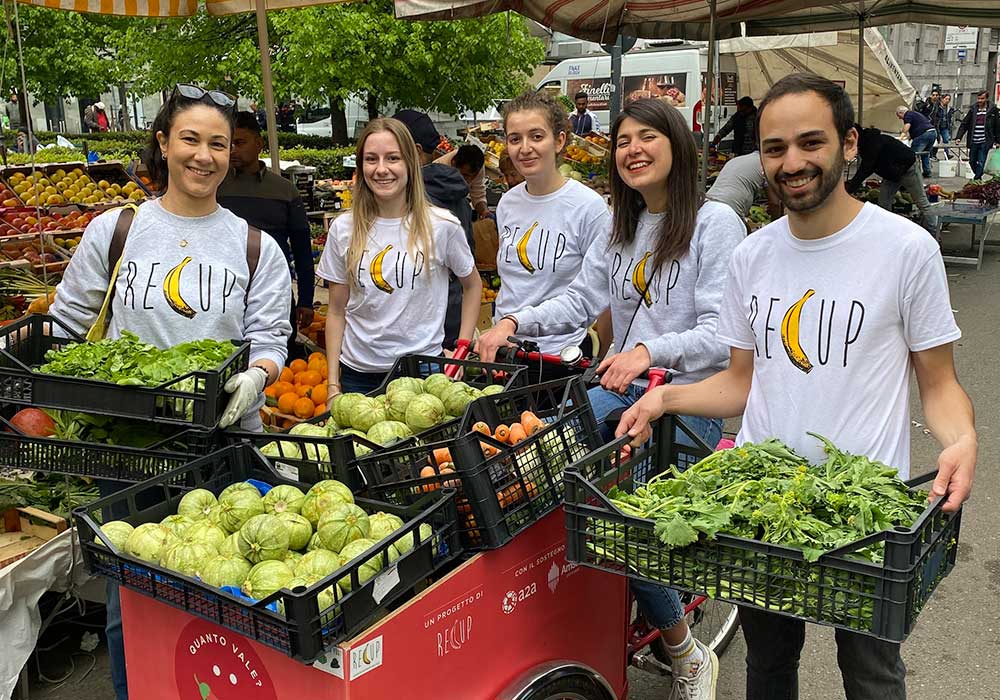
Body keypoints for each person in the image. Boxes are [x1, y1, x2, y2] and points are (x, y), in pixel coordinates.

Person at [618, 73, 977, 700]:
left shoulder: (904, 250)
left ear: (849, 143)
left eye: (810, 143)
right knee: (769, 665)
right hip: (761, 506)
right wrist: (665, 397)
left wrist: (962, 438)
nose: (792, 162)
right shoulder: (751, 256)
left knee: (871, 674)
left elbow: (938, 383)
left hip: (863, 517)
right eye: (775, 148)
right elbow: (738, 382)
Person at [479, 98, 746, 699]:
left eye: (648, 136)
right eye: (624, 140)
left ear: (678, 144)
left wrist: (650, 351)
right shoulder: (619, 225)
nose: (634, 150)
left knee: (619, 525)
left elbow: (720, 334)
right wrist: (513, 323)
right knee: (538, 472)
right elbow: (579, 300)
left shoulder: (714, 222)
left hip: (686, 404)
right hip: (617, 395)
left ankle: (686, 650)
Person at [49, 84, 293, 700]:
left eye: (217, 143)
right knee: (129, 601)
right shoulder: (117, 229)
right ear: (163, 144)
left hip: (221, 445)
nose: (203, 155)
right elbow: (68, 324)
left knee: (228, 594)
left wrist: (258, 376)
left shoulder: (253, 244)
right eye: (189, 139)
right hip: (129, 449)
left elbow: (272, 335)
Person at [316, 118, 481, 395]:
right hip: (360, 376)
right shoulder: (344, 229)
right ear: (361, 166)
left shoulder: (441, 225)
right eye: (371, 159)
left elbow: (473, 285)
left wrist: (462, 348)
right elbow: (335, 310)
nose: (381, 169)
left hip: (425, 374)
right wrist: (333, 384)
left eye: (393, 158)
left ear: (410, 163)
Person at [474, 91, 611, 377]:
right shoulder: (508, 203)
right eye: (515, 139)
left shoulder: (589, 207)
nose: (525, 148)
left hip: (558, 357)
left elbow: (599, 294)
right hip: (507, 351)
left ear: (559, 140)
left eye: (536, 136)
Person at [218, 111, 315, 361]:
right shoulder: (215, 188)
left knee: (275, 361)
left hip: (275, 294)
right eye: (229, 143)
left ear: (259, 143)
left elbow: (303, 249)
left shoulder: (285, 190)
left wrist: (305, 299)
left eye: (240, 142)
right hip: (225, 294)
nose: (233, 150)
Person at [393, 109, 476, 350]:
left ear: (416, 151)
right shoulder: (457, 191)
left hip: (418, 322)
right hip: (450, 312)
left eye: (394, 151)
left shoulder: (411, 196)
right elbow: (467, 255)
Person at [847, 124, 938, 234]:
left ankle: (934, 233)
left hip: (908, 170)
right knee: (883, 205)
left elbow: (866, 168)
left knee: (922, 202)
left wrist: (850, 188)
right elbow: (868, 167)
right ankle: (887, 233)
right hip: (892, 174)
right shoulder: (867, 142)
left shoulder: (872, 143)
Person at [706, 151, 780, 221]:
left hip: (708, 203)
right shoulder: (766, 164)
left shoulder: (739, 159)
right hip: (731, 207)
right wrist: (776, 225)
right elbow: (774, 203)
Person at [956, 90, 1000, 180]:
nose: (980, 101)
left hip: (985, 141)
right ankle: (978, 177)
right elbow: (965, 123)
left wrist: (998, 141)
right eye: (979, 98)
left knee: (981, 161)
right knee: (972, 161)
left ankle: (976, 179)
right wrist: (958, 137)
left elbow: (997, 126)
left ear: (987, 99)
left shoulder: (993, 110)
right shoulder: (973, 109)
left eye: (982, 98)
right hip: (973, 140)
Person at [436, 144, 489, 218]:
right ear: (453, 164)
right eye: (465, 175)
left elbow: (478, 194)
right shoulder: (439, 170)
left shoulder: (477, 166)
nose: (469, 181)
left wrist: (484, 211)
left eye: (473, 176)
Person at [896, 105, 936, 179]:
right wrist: (908, 138)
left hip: (924, 134)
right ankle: (927, 172)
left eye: (898, 115)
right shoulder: (915, 114)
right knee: (925, 153)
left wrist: (901, 137)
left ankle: (913, 174)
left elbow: (907, 125)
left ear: (901, 112)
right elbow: (917, 128)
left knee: (913, 154)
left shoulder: (907, 114)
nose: (899, 118)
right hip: (932, 132)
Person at [935, 93, 956, 160]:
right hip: (938, 126)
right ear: (942, 99)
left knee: (946, 140)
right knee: (937, 140)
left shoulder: (948, 108)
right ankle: (933, 155)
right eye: (946, 99)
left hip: (945, 126)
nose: (947, 100)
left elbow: (949, 118)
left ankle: (947, 154)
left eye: (949, 99)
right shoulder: (937, 107)